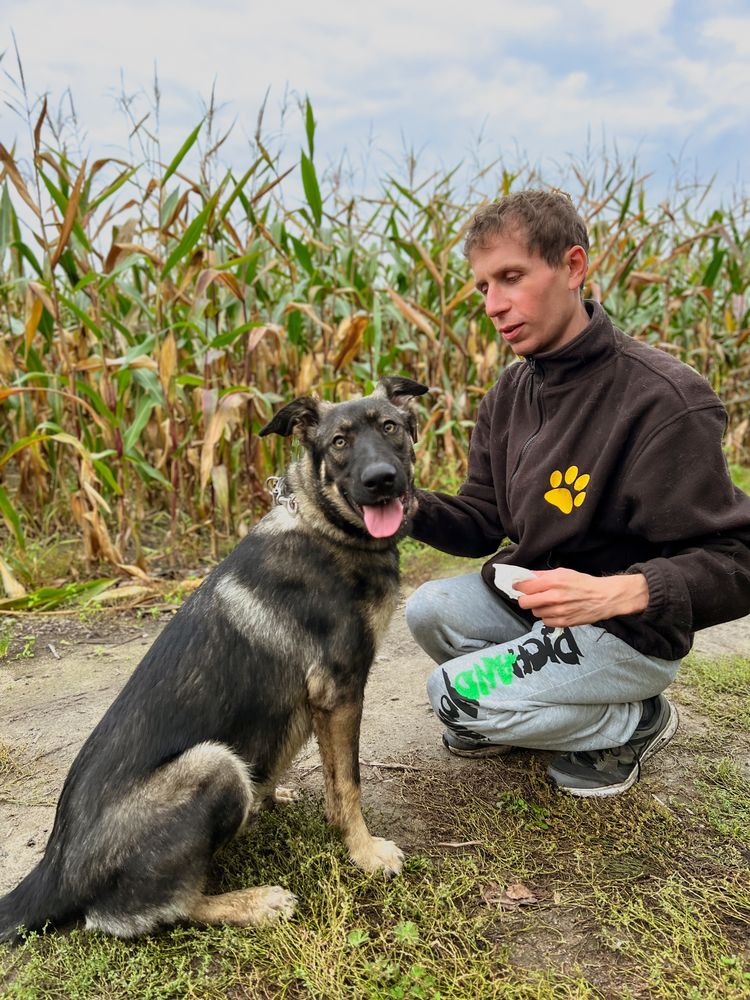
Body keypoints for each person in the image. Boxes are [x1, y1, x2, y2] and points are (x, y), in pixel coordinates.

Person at [406, 189, 750, 797]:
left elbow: (737, 561)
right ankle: (537, 698)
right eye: (483, 286)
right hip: (538, 604)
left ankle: (635, 719)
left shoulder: (664, 401)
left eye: (511, 277)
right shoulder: (508, 395)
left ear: (572, 266)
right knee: (427, 610)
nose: (493, 304)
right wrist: (403, 506)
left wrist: (618, 592)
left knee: (454, 698)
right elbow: (484, 518)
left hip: (626, 630)